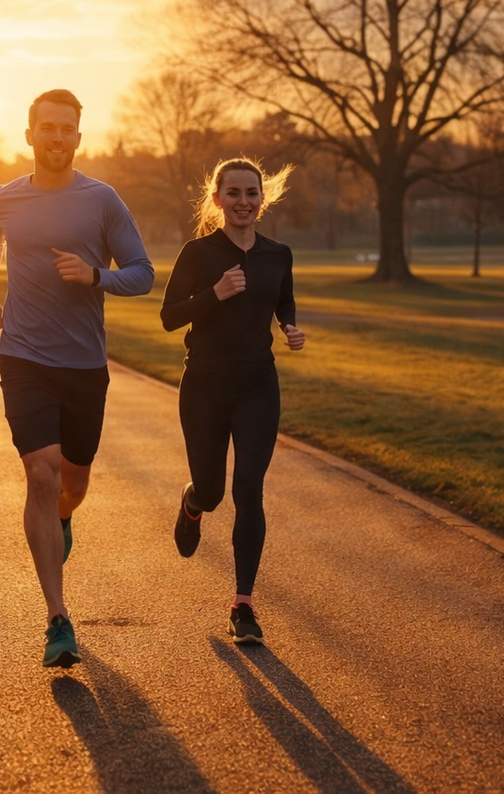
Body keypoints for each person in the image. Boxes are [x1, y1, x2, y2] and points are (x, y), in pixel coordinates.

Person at [0, 88, 154, 667]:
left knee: (71, 484)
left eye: (66, 129)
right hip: (23, 357)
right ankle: (57, 619)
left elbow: (143, 274)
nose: (56, 137)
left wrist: (96, 275)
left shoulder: (101, 201)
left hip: (83, 365)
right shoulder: (3, 198)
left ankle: (64, 518)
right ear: (30, 134)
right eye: (47, 127)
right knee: (41, 474)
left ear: (78, 136)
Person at [159, 157, 305, 645]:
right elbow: (169, 316)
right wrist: (216, 293)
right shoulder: (198, 253)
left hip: (258, 385)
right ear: (218, 199)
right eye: (234, 193)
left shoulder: (278, 254)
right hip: (204, 385)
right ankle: (193, 502)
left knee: (249, 489)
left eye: (252, 193)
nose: (244, 201)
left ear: (263, 199)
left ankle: (243, 606)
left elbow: (282, 300)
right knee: (213, 491)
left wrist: (289, 326)